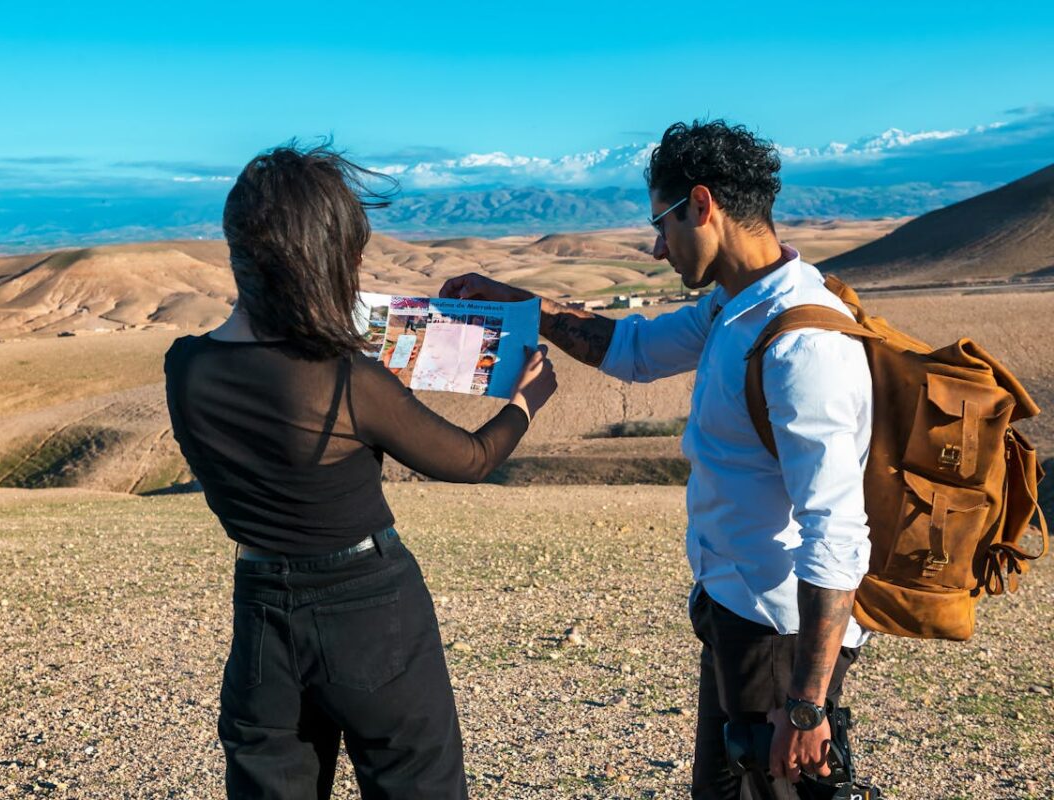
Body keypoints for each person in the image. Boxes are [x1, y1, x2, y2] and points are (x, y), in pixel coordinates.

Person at [441, 120, 872, 799]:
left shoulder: (801, 343)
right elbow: (632, 349)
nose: (656, 244)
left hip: (779, 634)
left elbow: (838, 532)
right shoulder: (735, 309)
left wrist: (808, 704)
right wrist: (515, 304)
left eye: (662, 223)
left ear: (703, 205)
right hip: (735, 612)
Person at [164, 143, 557, 800]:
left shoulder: (186, 368)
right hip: (375, 616)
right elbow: (470, 460)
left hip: (262, 615)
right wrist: (524, 403)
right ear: (325, 259)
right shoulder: (346, 379)